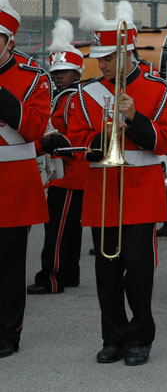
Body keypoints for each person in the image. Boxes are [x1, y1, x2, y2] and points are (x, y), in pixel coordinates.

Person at [70, 0, 167, 365]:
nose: (101, 66)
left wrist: (134, 119)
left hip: (142, 190)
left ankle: (140, 336)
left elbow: (165, 141)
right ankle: (113, 335)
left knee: (139, 269)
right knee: (106, 269)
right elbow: (79, 140)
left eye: (108, 58)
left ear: (128, 53)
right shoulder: (87, 94)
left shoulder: (159, 90)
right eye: (98, 59)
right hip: (102, 189)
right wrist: (102, 134)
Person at [0, 0, 51, 357]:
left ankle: (8, 331)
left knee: (9, 266)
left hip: (14, 186)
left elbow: (33, 129)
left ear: (9, 42)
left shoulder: (34, 77)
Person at [28, 19, 88, 295]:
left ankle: (51, 278)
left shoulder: (75, 98)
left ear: (77, 73)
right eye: (55, 72)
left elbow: (74, 138)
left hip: (70, 175)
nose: (58, 76)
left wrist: (47, 144)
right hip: (64, 172)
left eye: (65, 71)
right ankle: (69, 274)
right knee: (68, 230)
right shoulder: (60, 96)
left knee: (58, 229)